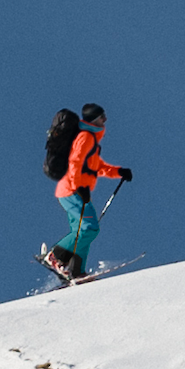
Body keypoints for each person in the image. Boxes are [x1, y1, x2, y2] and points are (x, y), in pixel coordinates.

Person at [41, 103, 131, 280]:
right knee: (90, 228)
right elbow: (75, 162)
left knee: (82, 232)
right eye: (101, 117)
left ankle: (76, 271)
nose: (105, 120)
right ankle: (55, 256)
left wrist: (119, 171)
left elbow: (97, 167)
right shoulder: (86, 137)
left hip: (73, 191)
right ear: (93, 120)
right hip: (72, 190)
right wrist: (79, 186)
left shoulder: (92, 142)